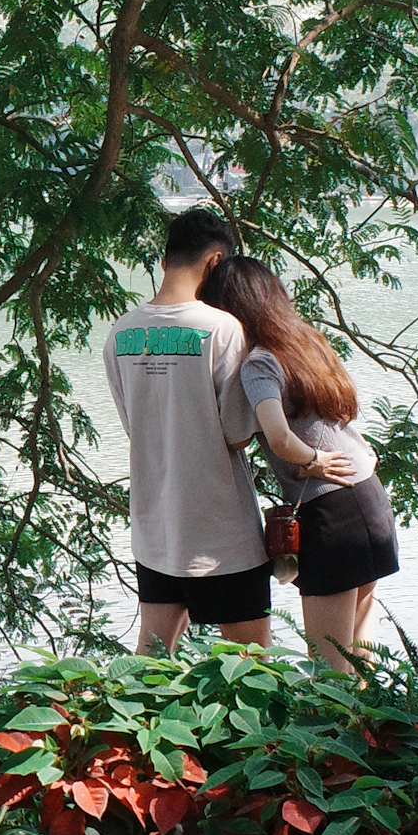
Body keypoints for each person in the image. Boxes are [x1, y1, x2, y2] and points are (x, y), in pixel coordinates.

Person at [200, 255, 396, 672]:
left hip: (333, 515)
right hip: (371, 501)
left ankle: (337, 736)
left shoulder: (259, 362)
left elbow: (277, 436)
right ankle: (379, 736)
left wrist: (313, 461)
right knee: (362, 657)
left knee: (329, 669)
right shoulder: (307, 344)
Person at [103, 208, 276, 653]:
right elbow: (237, 433)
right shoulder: (221, 328)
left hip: (156, 530)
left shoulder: (119, 334)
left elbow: (134, 427)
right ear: (216, 263)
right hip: (222, 536)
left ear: (164, 261)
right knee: (251, 669)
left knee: (151, 666)